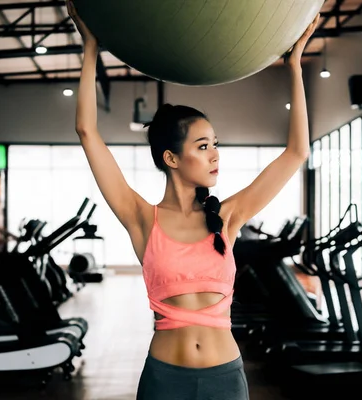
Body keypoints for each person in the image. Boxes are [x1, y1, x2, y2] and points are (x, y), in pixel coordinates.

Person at [66, 1, 318, 398]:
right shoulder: (140, 217)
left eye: (215, 144)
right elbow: (87, 131)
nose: (215, 154)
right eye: (203, 146)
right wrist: (91, 50)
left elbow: (296, 153)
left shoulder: (229, 216)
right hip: (165, 380)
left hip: (226, 379)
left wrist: (294, 66)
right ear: (171, 158)